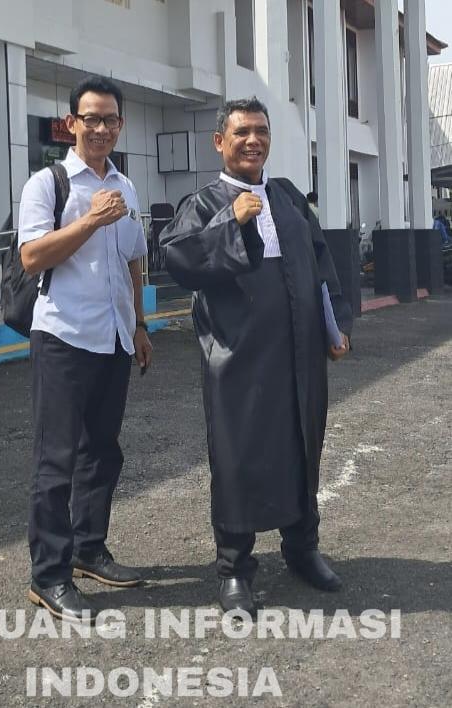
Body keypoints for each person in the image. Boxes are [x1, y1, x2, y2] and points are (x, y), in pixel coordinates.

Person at [160, 97, 352, 615]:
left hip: (299, 353)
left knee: (302, 445)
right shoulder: (203, 203)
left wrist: (335, 326)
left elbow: (321, 263)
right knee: (238, 456)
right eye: (241, 131)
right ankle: (235, 569)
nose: (253, 140)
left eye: (261, 131)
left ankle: (302, 548)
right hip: (238, 358)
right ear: (219, 141)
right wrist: (231, 221)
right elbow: (177, 258)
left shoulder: (287, 196)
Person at [18, 75, 152, 622]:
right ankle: (49, 575)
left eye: (110, 119)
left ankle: (88, 549)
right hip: (63, 337)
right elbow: (32, 257)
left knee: (102, 451)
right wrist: (91, 219)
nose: (100, 128)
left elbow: (134, 258)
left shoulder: (127, 186)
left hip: (114, 336)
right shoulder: (47, 184)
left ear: (121, 125)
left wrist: (139, 324)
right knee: (56, 460)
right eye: (90, 118)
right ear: (71, 122)